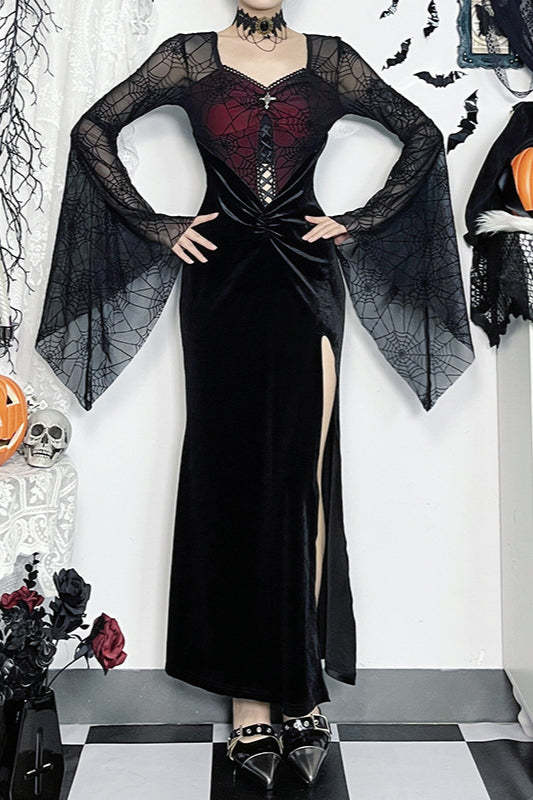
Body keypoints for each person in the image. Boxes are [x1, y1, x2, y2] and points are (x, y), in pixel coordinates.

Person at [34, 0, 475, 789]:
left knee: (302, 482)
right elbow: (91, 130)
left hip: (306, 283)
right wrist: (157, 225)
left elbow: (421, 134)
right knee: (231, 483)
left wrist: (358, 219)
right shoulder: (187, 57)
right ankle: (249, 701)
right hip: (220, 287)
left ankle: (298, 689)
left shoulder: (331, 59)